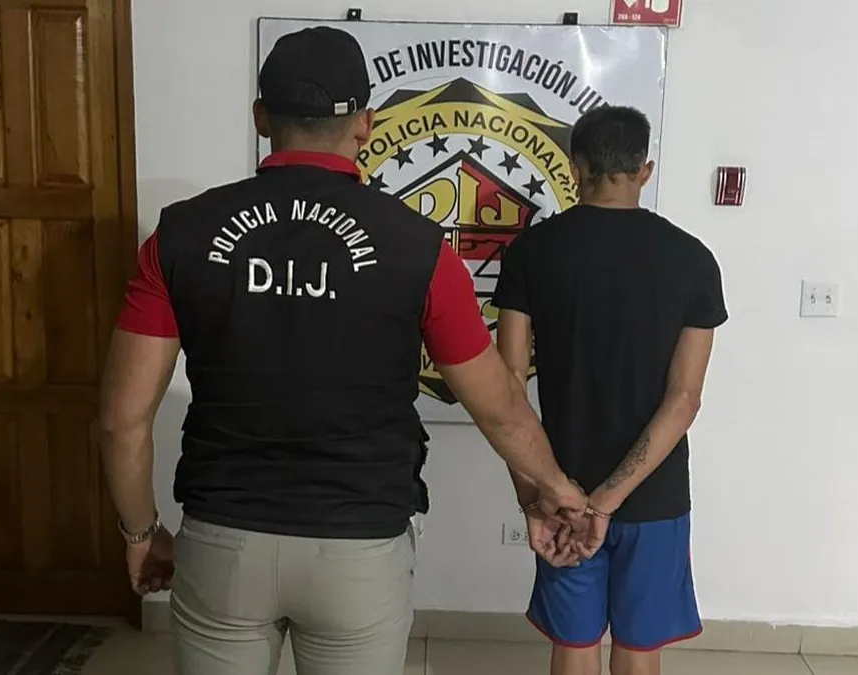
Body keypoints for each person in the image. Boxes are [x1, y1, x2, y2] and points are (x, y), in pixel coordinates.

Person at [96, 26, 587, 675]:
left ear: (261, 118)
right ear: (365, 124)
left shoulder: (181, 234)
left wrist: (140, 533)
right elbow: (499, 406)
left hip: (224, 542)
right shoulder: (417, 247)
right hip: (358, 552)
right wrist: (556, 490)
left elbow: (121, 419)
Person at [494, 105, 727, 675]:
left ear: (576, 167)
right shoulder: (693, 259)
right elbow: (685, 399)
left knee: (574, 645)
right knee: (639, 651)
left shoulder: (531, 251)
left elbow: (506, 390)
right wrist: (609, 500)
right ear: (644, 170)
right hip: (654, 495)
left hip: (560, 488)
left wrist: (538, 497)